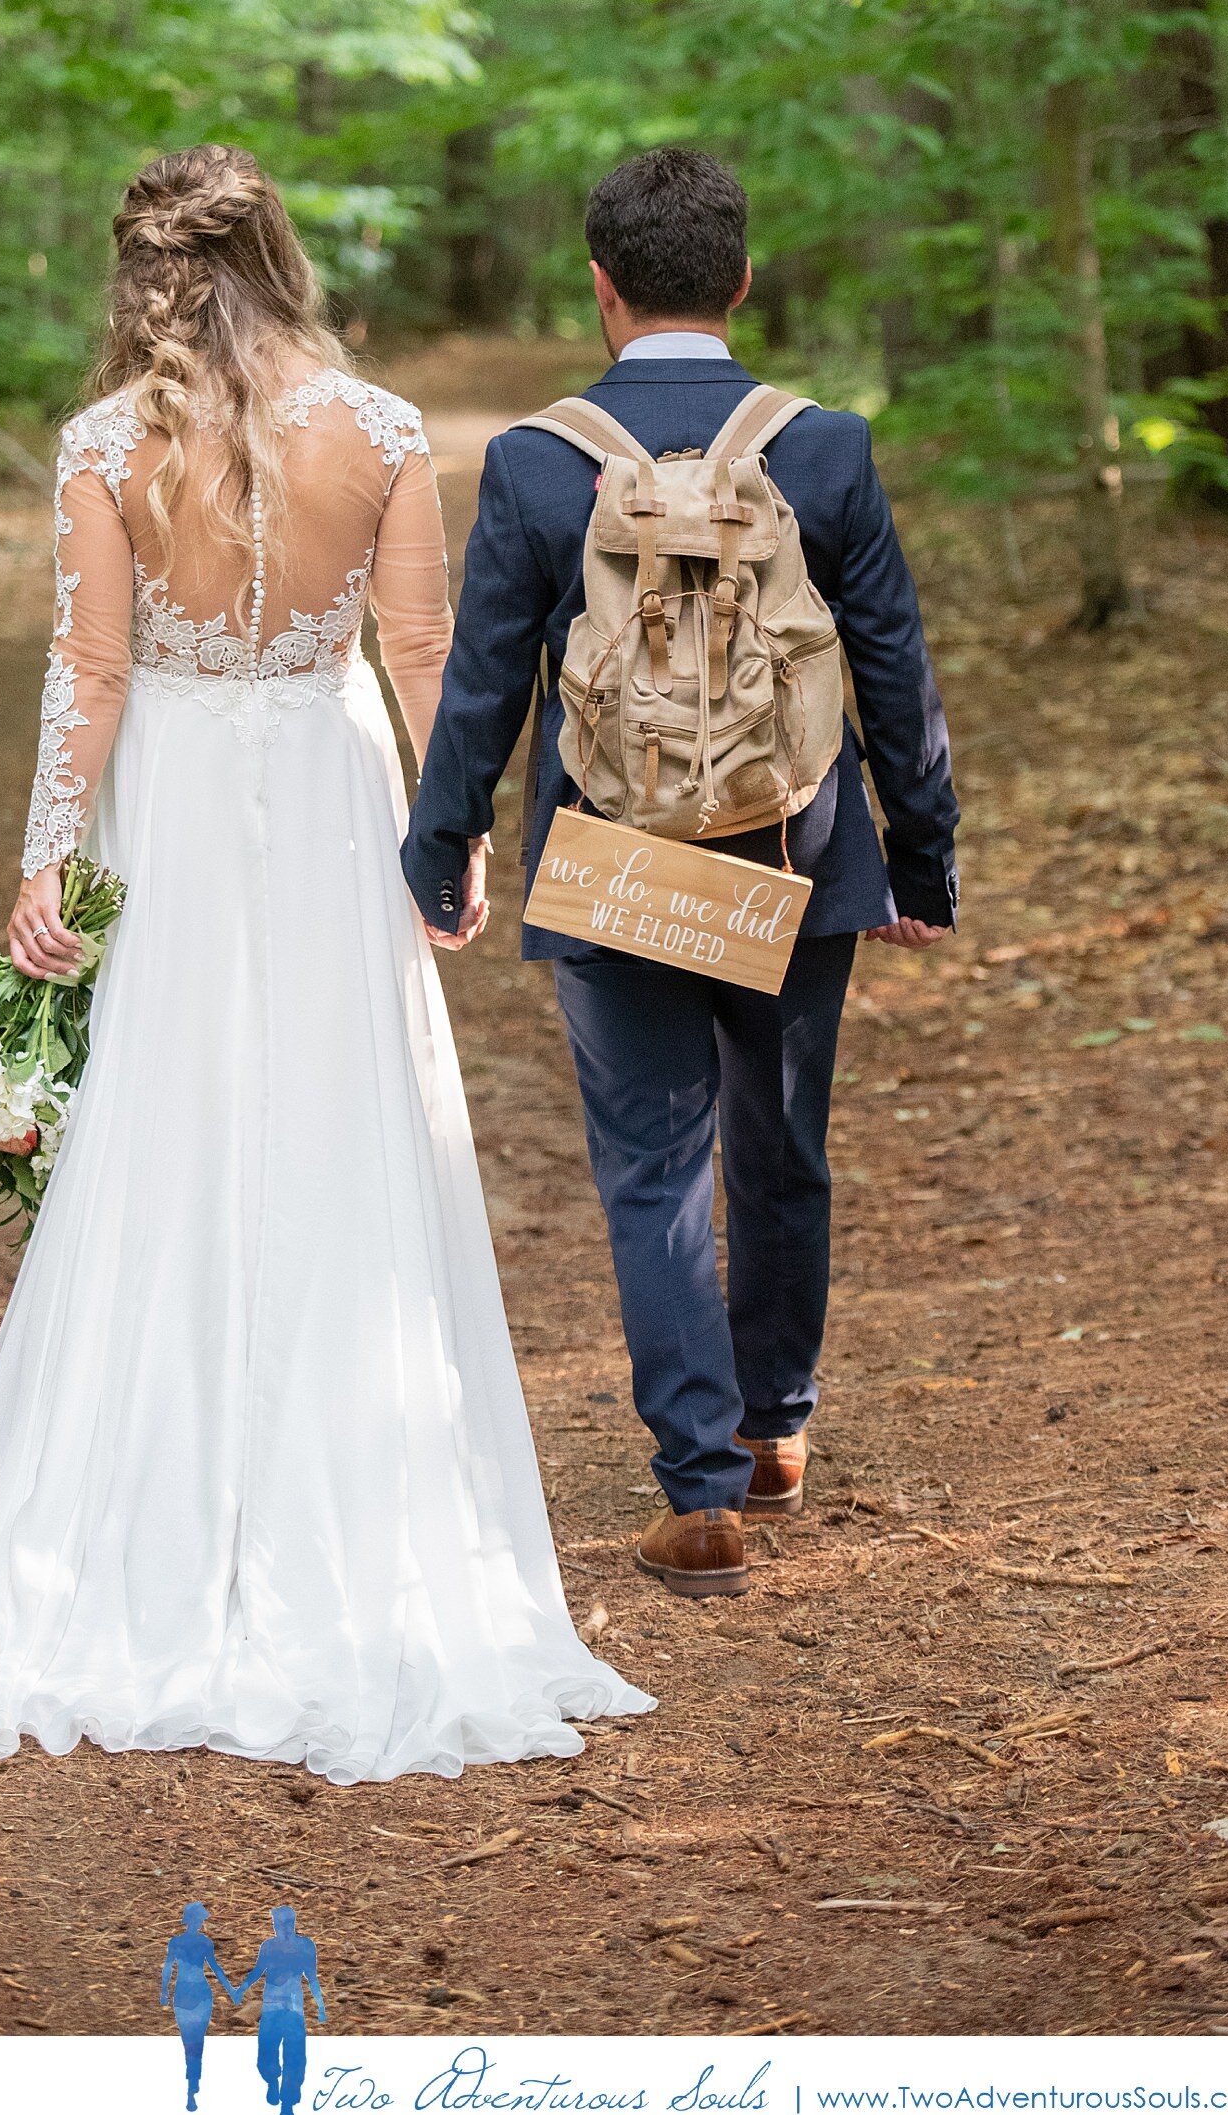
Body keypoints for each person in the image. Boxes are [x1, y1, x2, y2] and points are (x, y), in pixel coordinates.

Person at [0, 144, 650, 1780]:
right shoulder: (387, 433)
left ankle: (146, 1499)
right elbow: (422, 650)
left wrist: (46, 852)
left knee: (174, 1120)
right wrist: (449, 831)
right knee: (341, 1122)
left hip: (183, 805)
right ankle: (354, 1496)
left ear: (141, 279)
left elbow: (96, 670)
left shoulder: (104, 446)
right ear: (284, 258)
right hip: (334, 794)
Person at [403, 145, 957, 1602]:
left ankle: (696, 1487)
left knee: (655, 1165)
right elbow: (892, 661)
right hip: (799, 850)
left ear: (599, 286)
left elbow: (482, 685)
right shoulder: (821, 445)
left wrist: (441, 842)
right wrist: (923, 855)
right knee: (780, 1149)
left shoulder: (539, 459)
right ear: (744, 278)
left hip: (610, 856)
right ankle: (776, 1431)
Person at [234, 1907, 325, 2115]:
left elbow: (311, 1976)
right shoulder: (270, 1946)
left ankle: (287, 2100)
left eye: (283, 1923)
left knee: (293, 2055)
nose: (279, 1927)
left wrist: (321, 2005)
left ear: (291, 1923)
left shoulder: (304, 1946)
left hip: (292, 2008)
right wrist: (242, 1987)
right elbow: (259, 1970)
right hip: (274, 2006)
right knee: (268, 2052)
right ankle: (273, 2081)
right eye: (276, 1923)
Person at [161, 1901, 239, 2113]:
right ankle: (193, 2081)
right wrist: (230, 1990)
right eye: (200, 1919)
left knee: (191, 2039)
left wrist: (164, 1992)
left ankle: (192, 2081)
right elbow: (214, 1968)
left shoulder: (179, 1942)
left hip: (187, 1992)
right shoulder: (202, 1942)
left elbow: (170, 1968)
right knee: (195, 2039)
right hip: (198, 1992)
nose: (201, 1922)